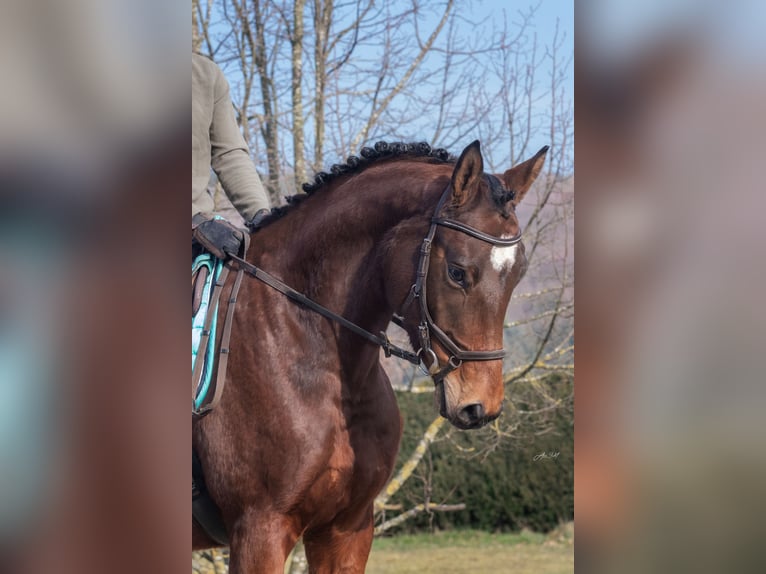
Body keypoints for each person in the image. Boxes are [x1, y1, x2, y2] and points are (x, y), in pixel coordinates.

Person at [192, 53, 270, 259]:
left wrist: (262, 216)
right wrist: (192, 221)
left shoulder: (206, 75)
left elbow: (229, 153)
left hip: (199, 231)